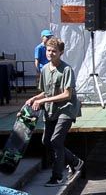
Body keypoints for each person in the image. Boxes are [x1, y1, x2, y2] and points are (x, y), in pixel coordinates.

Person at [25, 37, 83, 186]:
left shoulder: (66, 69)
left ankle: (57, 176)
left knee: (56, 140)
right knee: (46, 141)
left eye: (54, 51)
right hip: (51, 110)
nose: (50, 53)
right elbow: (45, 92)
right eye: (48, 50)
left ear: (61, 52)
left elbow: (67, 94)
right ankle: (75, 161)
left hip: (66, 109)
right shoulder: (44, 69)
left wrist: (42, 101)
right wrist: (33, 98)